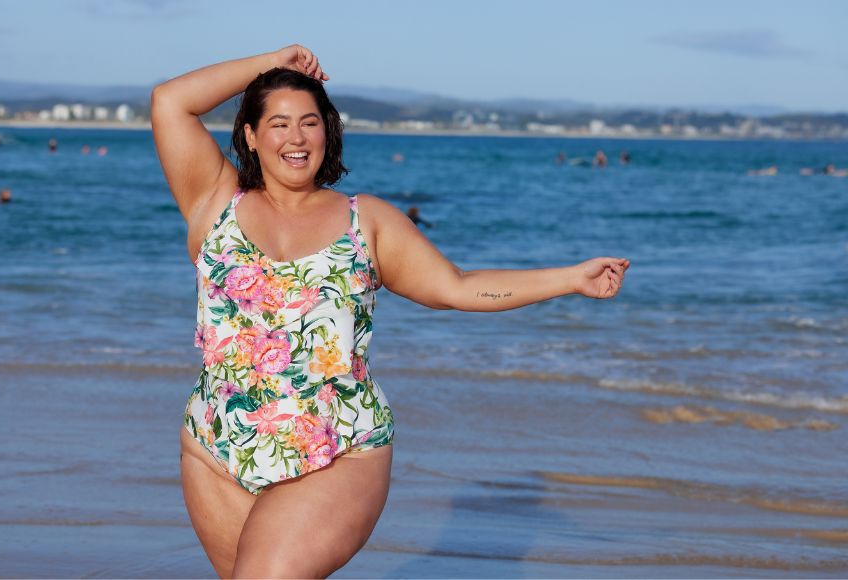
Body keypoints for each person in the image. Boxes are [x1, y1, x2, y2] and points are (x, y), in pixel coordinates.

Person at [151, 44, 629, 578]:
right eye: (279, 123)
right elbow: (170, 101)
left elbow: (458, 287)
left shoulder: (366, 221)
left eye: (310, 122)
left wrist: (569, 278)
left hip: (337, 450)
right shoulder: (214, 201)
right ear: (250, 135)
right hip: (216, 451)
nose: (295, 137)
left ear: (327, 132)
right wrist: (271, 64)